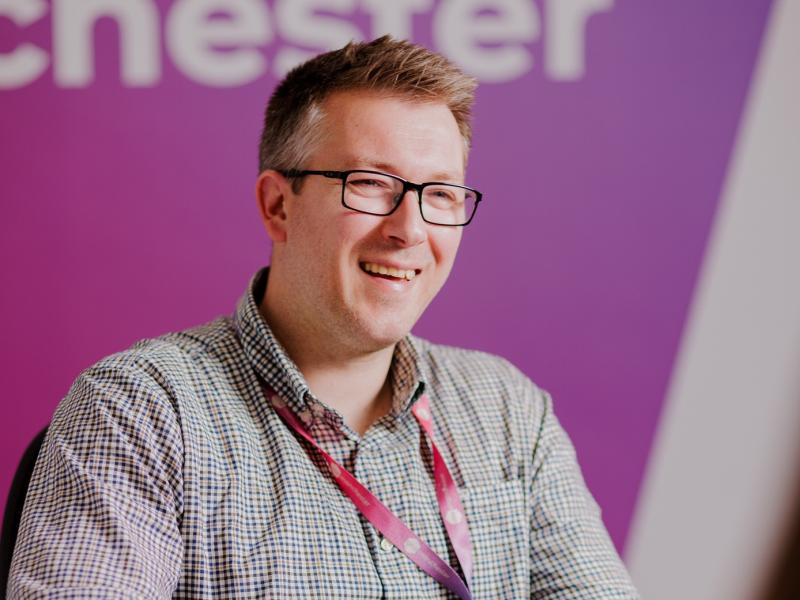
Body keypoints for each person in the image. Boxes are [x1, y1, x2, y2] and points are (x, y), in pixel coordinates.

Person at [8, 37, 638, 598]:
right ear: (278, 205)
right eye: (370, 184)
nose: (410, 230)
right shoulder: (142, 413)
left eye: (440, 194)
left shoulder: (506, 410)